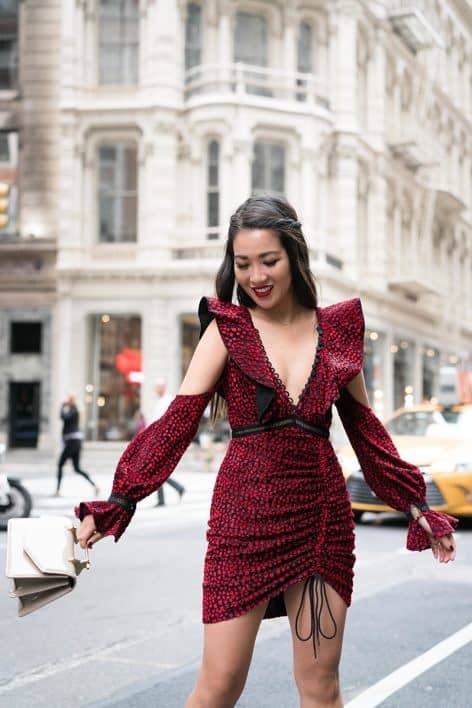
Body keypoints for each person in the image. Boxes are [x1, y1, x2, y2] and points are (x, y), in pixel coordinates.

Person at [75, 195, 457, 708]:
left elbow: (367, 434)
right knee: (218, 686)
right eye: (243, 263)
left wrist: (416, 506)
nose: (256, 275)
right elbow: (177, 423)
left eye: (268, 261)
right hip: (244, 521)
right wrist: (119, 502)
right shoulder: (227, 330)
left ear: (294, 257)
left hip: (321, 520)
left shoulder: (338, 331)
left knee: (321, 687)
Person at [150, 378, 186, 505]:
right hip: (157, 439)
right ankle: (176, 489)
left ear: (163, 387)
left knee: (156, 470)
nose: (157, 390)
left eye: (159, 387)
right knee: (157, 470)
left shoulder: (167, 401)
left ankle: (171, 493)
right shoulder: (161, 401)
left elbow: (164, 422)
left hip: (162, 440)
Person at [55, 395, 99, 497]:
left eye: (68, 400)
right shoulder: (73, 410)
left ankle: (57, 490)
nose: (66, 402)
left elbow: (63, 417)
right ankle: (95, 486)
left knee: (61, 464)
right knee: (77, 468)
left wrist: (62, 407)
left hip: (72, 442)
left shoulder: (74, 410)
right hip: (74, 441)